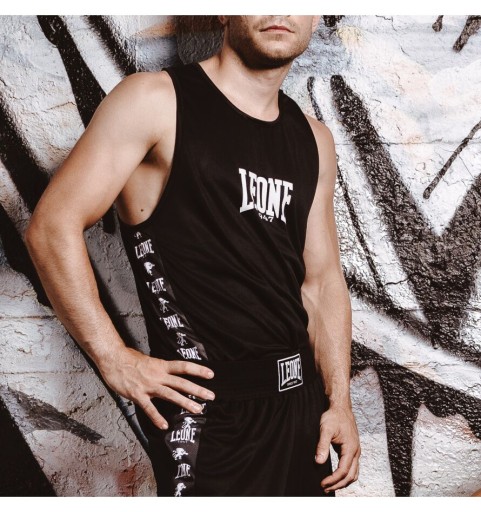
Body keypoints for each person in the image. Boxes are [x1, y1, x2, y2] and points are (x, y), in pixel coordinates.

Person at [25, 15, 361, 496]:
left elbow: (322, 282)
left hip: (301, 410)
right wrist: (114, 358)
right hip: (207, 415)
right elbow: (52, 226)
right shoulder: (155, 102)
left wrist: (339, 401)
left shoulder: (314, 139)